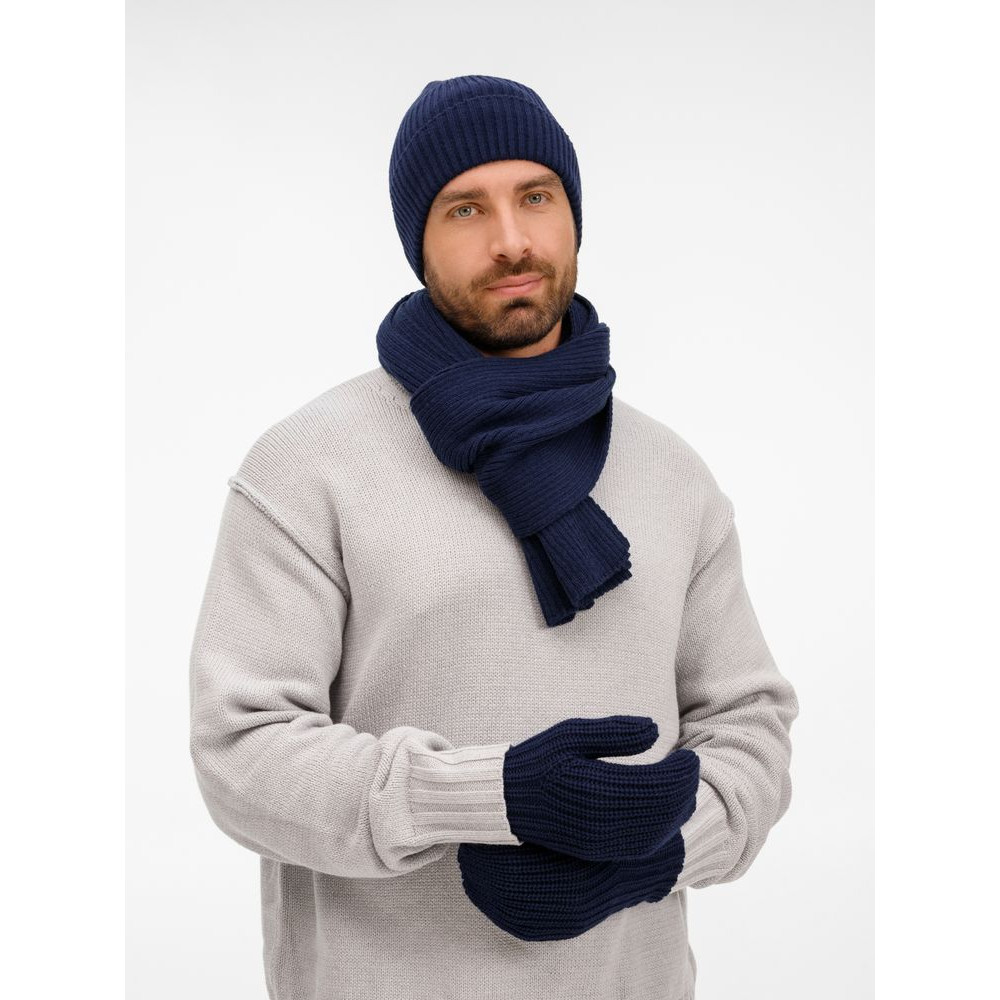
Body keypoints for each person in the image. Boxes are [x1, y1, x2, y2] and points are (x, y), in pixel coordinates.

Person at [189, 74, 800, 1000]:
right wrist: (492, 796)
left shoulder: (673, 476)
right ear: (418, 243)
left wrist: (656, 857)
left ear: (574, 216)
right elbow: (241, 752)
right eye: (466, 208)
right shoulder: (309, 467)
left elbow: (749, 728)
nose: (511, 239)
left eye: (536, 197)